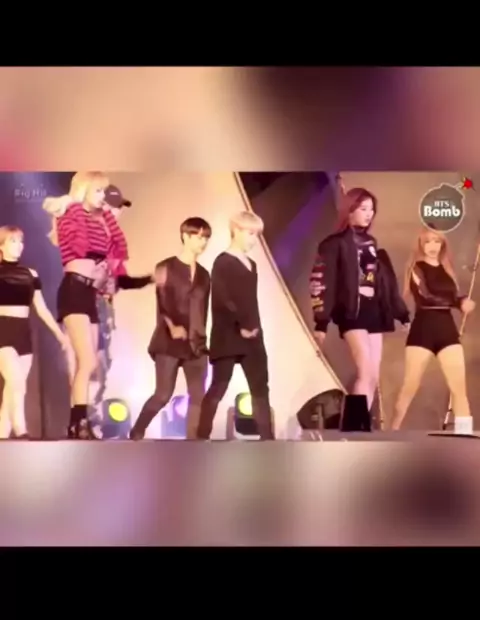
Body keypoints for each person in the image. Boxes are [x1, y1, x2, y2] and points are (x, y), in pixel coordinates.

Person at [310, 187, 409, 429]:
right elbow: (322, 281)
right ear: (350, 210)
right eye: (363, 209)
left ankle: (357, 426)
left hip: (373, 311)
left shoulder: (371, 243)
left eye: (371, 209)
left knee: (373, 375)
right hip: (351, 313)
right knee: (364, 370)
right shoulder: (333, 244)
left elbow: (385, 283)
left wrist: (402, 314)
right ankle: (354, 428)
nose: (368, 214)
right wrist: (321, 322)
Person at [43, 171, 128, 439]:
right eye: (98, 190)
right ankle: (78, 422)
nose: (103, 196)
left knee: (89, 365)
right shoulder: (72, 214)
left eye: (104, 191)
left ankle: (78, 421)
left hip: (89, 293)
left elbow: (107, 254)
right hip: (73, 290)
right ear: (84, 190)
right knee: (87, 360)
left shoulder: (95, 220)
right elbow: (76, 244)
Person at [129, 217, 212, 440]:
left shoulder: (204, 275)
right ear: (185, 236)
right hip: (169, 341)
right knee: (163, 394)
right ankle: (137, 430)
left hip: (196, 343)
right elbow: (163, 302)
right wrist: (173, 326)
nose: (203, 242)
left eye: (206, 238)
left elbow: (203, 309)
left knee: (198, 395)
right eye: (198, 237)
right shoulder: (166, 267)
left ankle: (194, 442)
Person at [196, 211, 275, 441]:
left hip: (253, 334)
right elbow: (222, 298)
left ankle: (267, 440)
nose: (253, 240)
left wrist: (253, 326)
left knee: (260, 387)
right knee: (219, 385)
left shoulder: (252, 264)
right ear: (237, 230)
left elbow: (250, 300)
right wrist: (241, 324)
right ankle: (201, 437)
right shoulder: (223, 261)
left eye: (256, 235)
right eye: (250, 233)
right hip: (228, 334)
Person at [391, 227, 475, 433]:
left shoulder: (447, 270)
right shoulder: (416, 268)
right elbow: (426, 295)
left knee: (459, 388)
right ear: (420, 245)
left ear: (443, 244)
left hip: (447, 331)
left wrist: (463, 300)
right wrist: (458, 303)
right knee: (410, 386)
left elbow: (453, 296)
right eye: (428, 241)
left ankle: (464, 436)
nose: (432, 246)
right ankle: (392, 431)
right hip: (423, 332)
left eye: (437, 241)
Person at [0, 225, 67, 439]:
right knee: (16, 382)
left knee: (14, 387)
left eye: (20, 241)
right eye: (12, 241)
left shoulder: (31, 274)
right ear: (1, 246)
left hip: (23, 333)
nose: (19, 245)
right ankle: (21, 429)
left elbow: (42, 309)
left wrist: (60, 335)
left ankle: (2, 433)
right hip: (2, 331)